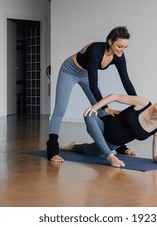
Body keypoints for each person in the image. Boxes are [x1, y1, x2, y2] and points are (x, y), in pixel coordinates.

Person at [47, 26, 137, 162]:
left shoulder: (119, 57)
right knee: (60, 110)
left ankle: (119, 146)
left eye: (125, 47)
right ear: (110, 41)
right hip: (69, 71)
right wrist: (106, 107)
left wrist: (137, 101)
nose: (122, 51)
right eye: (119, 46)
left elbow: (126, 81)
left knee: (102, 112)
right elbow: (93, 85)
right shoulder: (96, 51)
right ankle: (52, 150)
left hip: (86, 74)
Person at [60, 93, 157, 168]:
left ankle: (73, 146)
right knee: (88, 115)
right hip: (103, 125)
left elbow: (156, 156)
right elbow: (115, 96)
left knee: (89, 151)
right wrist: (95, 107)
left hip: (111, 144)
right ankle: (109, 155)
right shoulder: (143, 103)